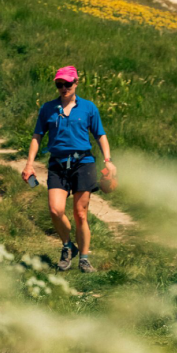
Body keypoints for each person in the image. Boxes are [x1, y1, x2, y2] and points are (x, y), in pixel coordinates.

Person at [21, 65, 116, 274]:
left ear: (76, 82)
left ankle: (84, 257)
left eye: (67, 83)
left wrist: (108, 160)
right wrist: (29, 163)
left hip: (83, 163)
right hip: (58, 164)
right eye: (59, 84)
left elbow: (100, 134)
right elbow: (37, 136)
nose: (64, 88)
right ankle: (67, 246)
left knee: (80, 214)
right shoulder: (47, 108)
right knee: (56, 210)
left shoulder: (89, 108)